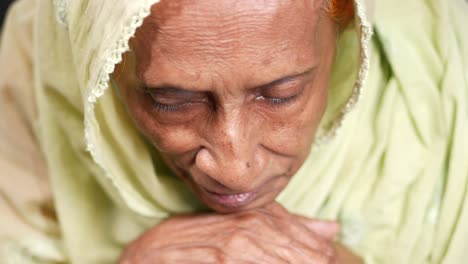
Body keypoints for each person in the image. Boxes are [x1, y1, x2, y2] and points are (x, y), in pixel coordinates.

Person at [0, 0, 466, 263]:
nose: (235, 170)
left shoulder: (450, 63)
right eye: (171, 102)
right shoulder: (40, 57)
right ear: (99, 69)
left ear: (345, 46)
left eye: (281, 93)